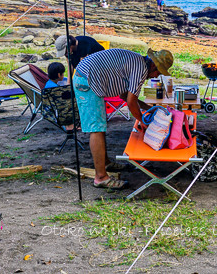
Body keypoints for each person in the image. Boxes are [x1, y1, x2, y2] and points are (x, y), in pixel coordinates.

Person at [73, 48, 173, 189]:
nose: (155, 76)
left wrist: (148, 109)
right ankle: (101, 177)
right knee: (96, 128)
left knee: (100, 127)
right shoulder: (141, 69)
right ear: (153, 66)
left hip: (88, 76)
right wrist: (143, 122)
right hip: (87, 80)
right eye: (158, 72)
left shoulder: (138, 63)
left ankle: (105, 163)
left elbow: (125, 96)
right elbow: (131, 103)